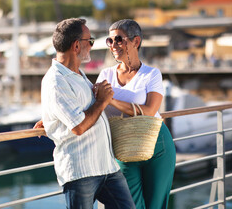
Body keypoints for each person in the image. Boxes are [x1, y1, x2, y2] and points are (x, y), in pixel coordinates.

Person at [38, 18, 135, 209]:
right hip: (81, 171)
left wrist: (51, 117)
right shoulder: (56, 81)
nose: (91, 46)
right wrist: (102, 100)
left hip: (107, 167)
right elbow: (79, 126)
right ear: (76, 46)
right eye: (90, 41)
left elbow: (73, 110)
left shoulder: (77, 74)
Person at [95, 19, 176, 209]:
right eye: (110, 40)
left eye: (119, 40)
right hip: (122, 148)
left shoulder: (151, 74)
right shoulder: (105, 75)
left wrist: (111, 100)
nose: (113, 45)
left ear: (136, 41)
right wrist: (52, 117)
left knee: (155, 205)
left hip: (157, 145)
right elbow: (91, 104)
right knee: (128, 205)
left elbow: (149, 111)